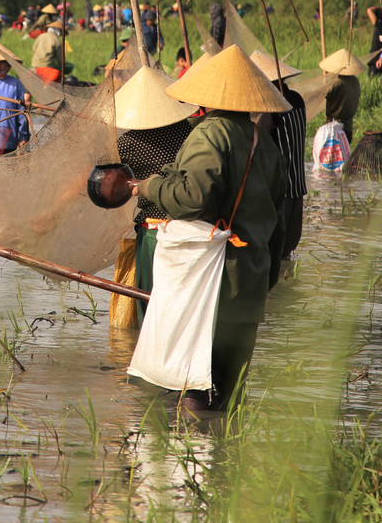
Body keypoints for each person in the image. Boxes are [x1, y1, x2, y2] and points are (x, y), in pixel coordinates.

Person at [132, 44, 289, 414]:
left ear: (206, 96)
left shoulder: (210, 134)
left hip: (210, 283)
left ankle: (191, 461)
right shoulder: (264, 143)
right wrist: (264, 276)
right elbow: (277, 226)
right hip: (249, 283)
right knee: (231, 395)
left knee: (195, 389)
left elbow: (191, 199)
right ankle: (224, 464)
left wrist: (148, 186)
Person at [115, 66, 195, 318]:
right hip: (191, 226)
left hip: (153, 231)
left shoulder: (128, 143)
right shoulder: (191, 131)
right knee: (181, 305)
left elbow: (109, 181)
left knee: (149, 305)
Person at [250, 52, 308, 264]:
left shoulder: (272, 107)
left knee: (272, 252)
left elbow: (259, 146)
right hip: (297, 187)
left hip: (279, 192)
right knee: (286, 251)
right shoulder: (297, 99)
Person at [318, 48, 367, 142]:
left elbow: (323, 94)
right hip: (348, 128)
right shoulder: (355, 81)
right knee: (345, 155)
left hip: (334, 129)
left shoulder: (336, 82)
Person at [30, 18, 65, 82]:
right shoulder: (56, 40)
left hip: (35, 65)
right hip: (47, 67)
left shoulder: (41, 36)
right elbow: (60, 57)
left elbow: (34, 48)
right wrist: (63, 66)